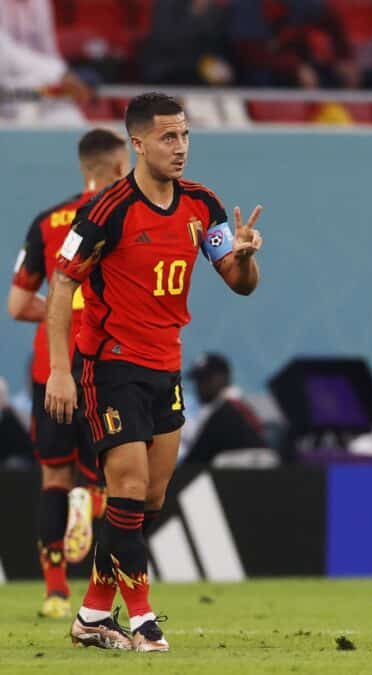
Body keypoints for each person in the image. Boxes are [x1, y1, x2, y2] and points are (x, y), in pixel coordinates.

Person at [45, 92, 264, 652]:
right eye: (169, 137)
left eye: (185, 136)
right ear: (137, 144)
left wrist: (244, 256)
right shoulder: (106, 210)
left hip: (165, 367)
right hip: (109, 363)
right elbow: (63, 283)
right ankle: (142, 620)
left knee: (148, 499)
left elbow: (238, 284)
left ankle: (93, 614)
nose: (181, 147)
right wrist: (61, 371)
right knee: (128, 485)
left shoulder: (202, 205)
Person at [8, 128, 128, 619]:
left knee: (51, 474)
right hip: (107, 360)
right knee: (115, 473)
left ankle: (55, 592)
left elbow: (17, 305)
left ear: (84, 169)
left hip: (51, 366)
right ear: (121, 170)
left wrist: (63, 310)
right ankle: (92, 502)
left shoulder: (48, 221)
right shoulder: (126, 216)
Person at [179, 352, 266, 465]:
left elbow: (196, 459)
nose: (200, 386)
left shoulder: (226, 410)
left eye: (205, 379)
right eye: (198, 380)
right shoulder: (233, 405)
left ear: (222, 378)